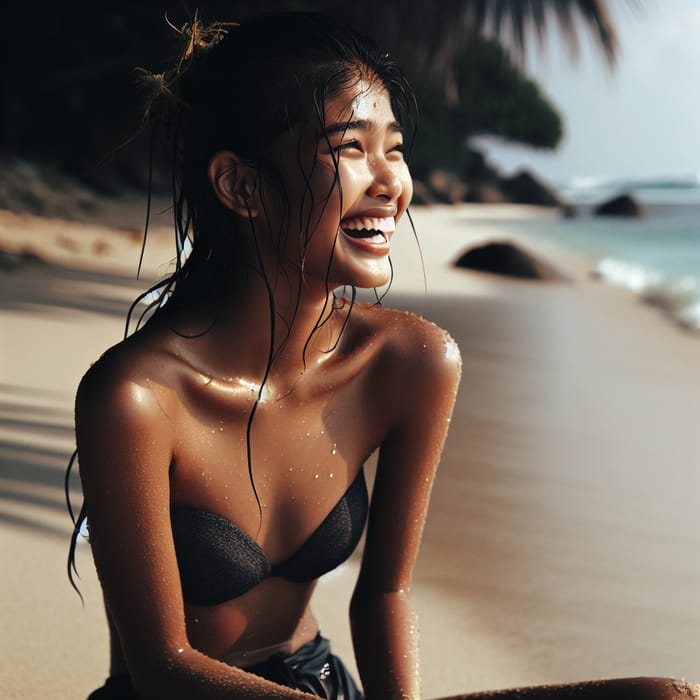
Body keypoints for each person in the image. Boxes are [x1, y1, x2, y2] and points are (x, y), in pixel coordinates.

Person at [66, 11, 697, 700]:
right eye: (350, 148)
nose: (390, 182)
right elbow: (162, 666)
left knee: (662, 697)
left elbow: (384, 594)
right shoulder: (136, 399)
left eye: (394, 148)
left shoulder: (412, 362)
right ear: (240, 186)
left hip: (320, 684)